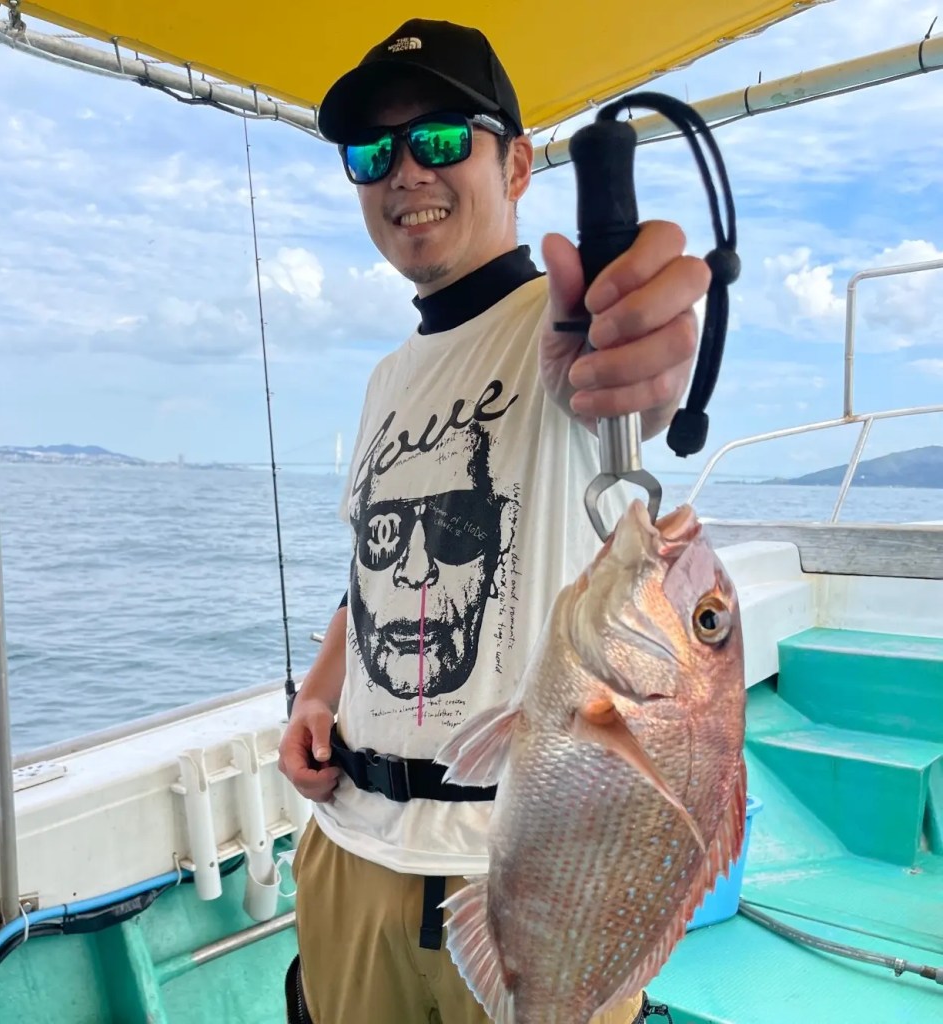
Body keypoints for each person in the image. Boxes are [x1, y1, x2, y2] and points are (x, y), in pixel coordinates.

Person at [277, 17, 709, 1024]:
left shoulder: (557, 325)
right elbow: (366, 577)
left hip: (530, 869)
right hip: (349, 850)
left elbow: (618, 364)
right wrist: (317, 693)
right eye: (372, 152)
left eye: (438, 138)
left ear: (516, 165)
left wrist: (634, 341)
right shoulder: (387, 376)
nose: (404, 171)